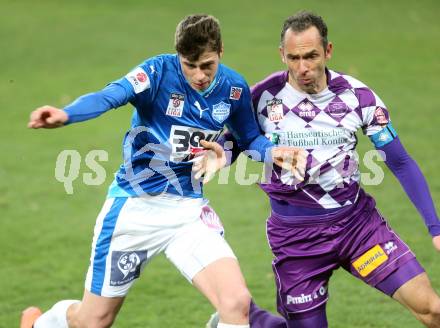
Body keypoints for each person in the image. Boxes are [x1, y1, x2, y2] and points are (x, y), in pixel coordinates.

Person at [21, 14, 304, 328]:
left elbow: (248, 137)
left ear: (221, 51)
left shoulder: (234, 89)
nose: (199, 75)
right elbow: (108, 96)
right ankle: (41, 324)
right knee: (93, 321)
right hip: (134, 209)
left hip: (187, 213)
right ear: (178, 55)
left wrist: (271, 152)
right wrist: (66, 114)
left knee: (235, 303)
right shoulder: (156, 72)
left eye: (207, 65)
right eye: (189, 64)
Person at [206, 11, 440, 328]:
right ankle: (253, 319)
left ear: (327, 51)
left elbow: (399, 161)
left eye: (311, 56)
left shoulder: (358, 97)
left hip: (358, 228)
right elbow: (238, 141)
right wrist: (223, 156)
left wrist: (435, 228)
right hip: (297, 240)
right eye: (294, 57)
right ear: (282, 55)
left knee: (432, 310)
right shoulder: (262, 97)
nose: (303, 68)